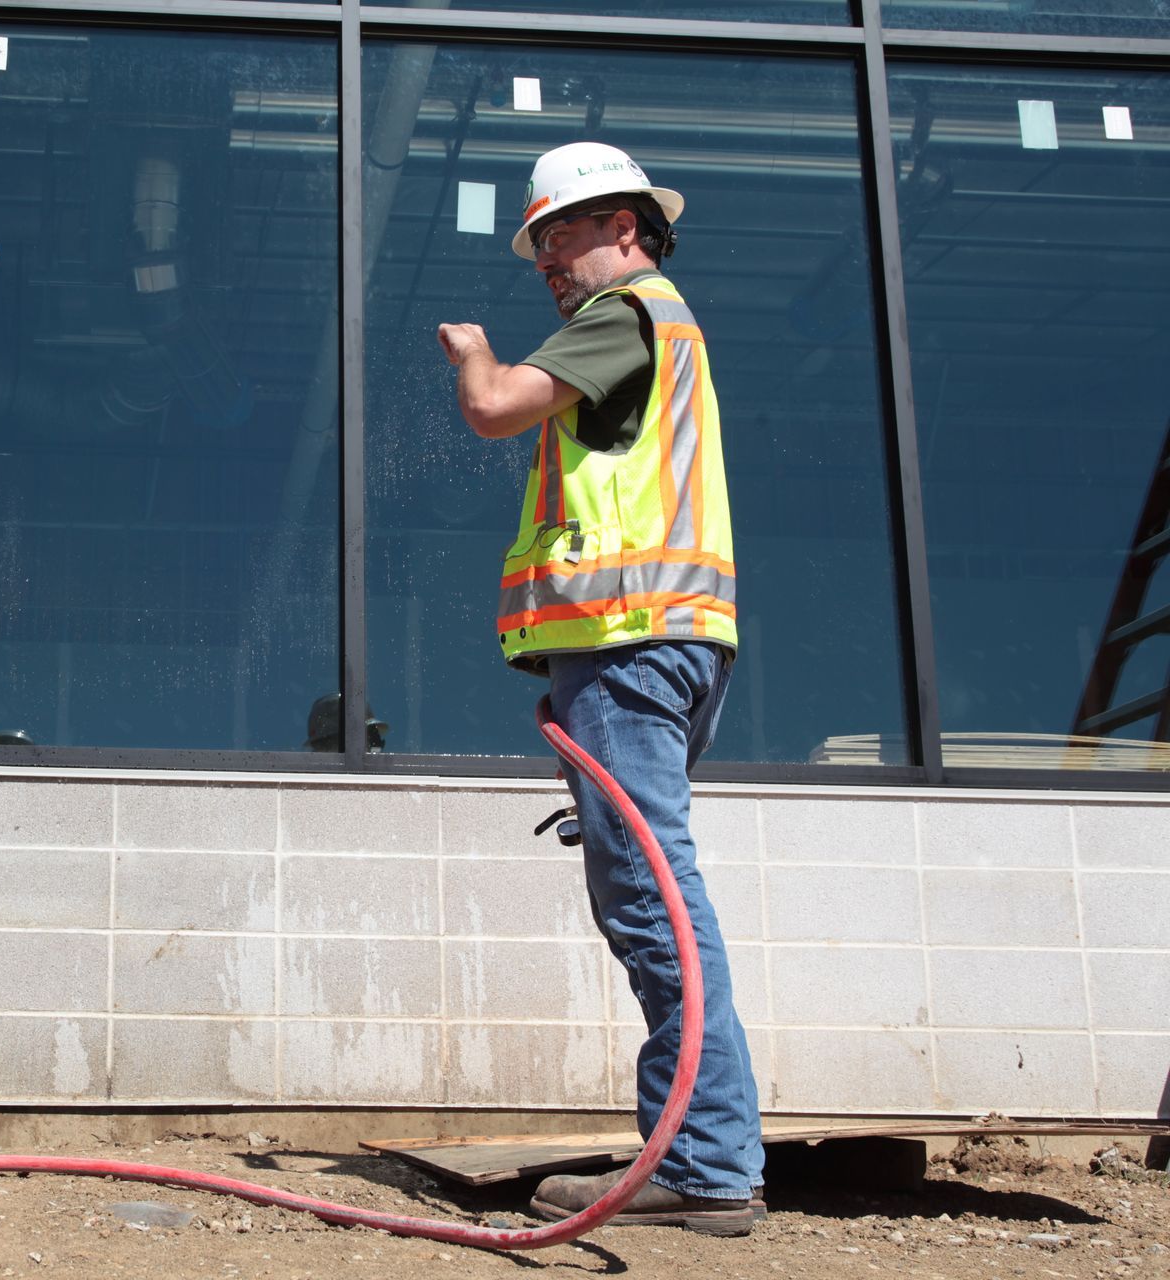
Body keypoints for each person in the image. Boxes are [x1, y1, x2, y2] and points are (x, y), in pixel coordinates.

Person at [436, 142, 765, 1236]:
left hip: (630, 646)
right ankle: (708, 1151)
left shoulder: (628, 314)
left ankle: (710, 1164)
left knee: (654, 900)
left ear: (626, 223)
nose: (549, 262)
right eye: (541, 247)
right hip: (654, 645)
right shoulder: (658, 327)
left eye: (562, 234)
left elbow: (494, 406)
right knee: (655, 893)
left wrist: (475, 355)